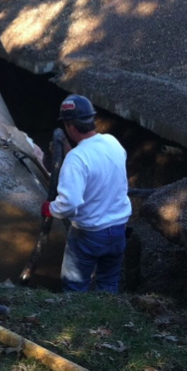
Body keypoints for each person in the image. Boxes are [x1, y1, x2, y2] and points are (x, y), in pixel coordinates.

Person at [41, 95, 131, 292]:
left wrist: (50, 208)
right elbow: (97, 166)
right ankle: (107, 319)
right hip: (118, 230)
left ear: (70, 126)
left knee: (75, 286)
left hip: (89, 234)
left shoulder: (76, 159)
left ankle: (75, 320)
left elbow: (69, 203)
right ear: (92, 120)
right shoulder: (112, 142)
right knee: (108, 283)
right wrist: (69, 151)